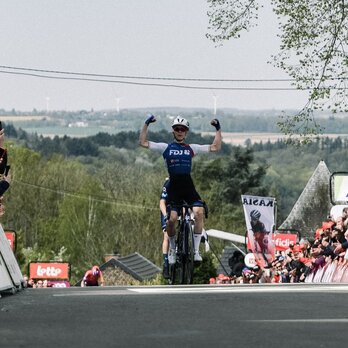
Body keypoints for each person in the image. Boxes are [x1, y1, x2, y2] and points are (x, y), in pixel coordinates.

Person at [139, 114, 221, 264]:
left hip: (188, 185)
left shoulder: (191, 148)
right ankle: (172, 250)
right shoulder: (166, 147)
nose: (180, 131)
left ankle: (196, 251)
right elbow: (143, 142)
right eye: (177, 129)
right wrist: (146, 124)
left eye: (183, 129)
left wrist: (218, 129)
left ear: (186, 132)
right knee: (172, 220)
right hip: (173, 187)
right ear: (173, 131)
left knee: (199, 212)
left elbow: (215, 147)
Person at [160, 177, 170, 279]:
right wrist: (165, 215)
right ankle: (166, 264)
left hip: (179, 207)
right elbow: (162, 202)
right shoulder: (168, 183)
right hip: (168, 209)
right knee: (166, 235)